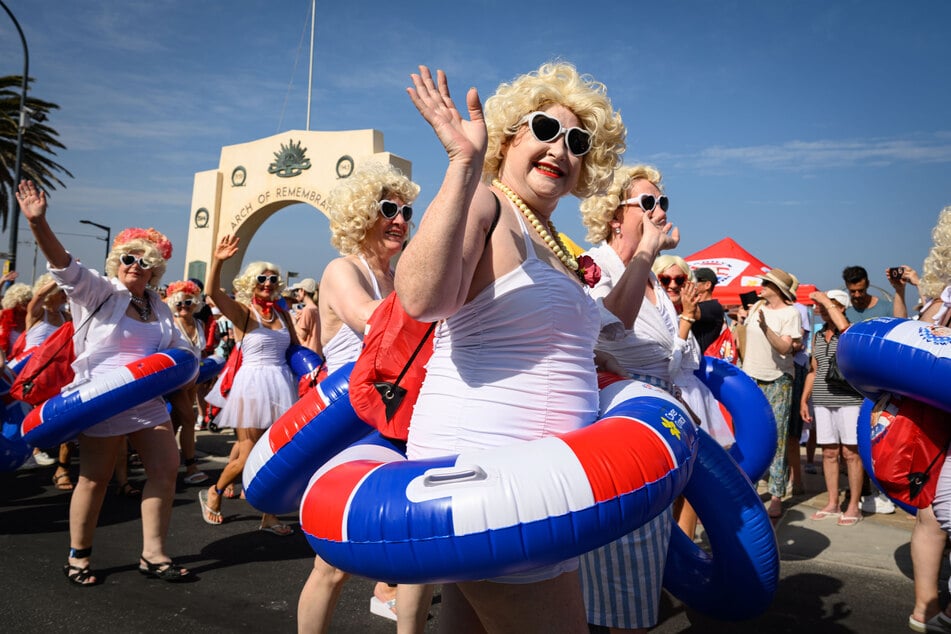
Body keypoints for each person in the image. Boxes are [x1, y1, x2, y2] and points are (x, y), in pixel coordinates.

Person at [397, 62, 625, 632]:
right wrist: (461, 164)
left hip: (538, 479)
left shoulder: (554, 240)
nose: (560, 149)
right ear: (510, 138)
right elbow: (421, 298)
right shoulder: (486, 204)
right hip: (489, 478)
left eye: (577, 142)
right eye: (544, 130)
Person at [16, 179, 195, 586]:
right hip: (101, 396)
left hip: (146, 399)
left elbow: (180, 350)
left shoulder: (159, 306)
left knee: (166, 469)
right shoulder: (98, 291)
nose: (134, 265)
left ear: (155, 269)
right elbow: (63, 264)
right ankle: (79, 556)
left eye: (143, 261)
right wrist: (38, 223)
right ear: (119, 260)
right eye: (129, 258)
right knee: (93, 479)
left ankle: (153, 553)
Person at [297, 162, 419, 633]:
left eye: (406, 211)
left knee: (416, 550)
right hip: (352, 428)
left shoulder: (403, 274)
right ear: (361, 214)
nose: (400, 220)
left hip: (403, 423)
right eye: (388, 209)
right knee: (333, 562)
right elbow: (370, 319)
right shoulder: (341, 268)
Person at [577, 164, 683, 633]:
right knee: (623, 547)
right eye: (647, 203)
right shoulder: (596, 265)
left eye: (663, 203)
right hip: (619, 416)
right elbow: (601, 326)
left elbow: (674, 351)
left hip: (657, 407)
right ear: (615, 216)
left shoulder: (656, 278)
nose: (659, 211)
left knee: (646, 542)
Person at [199, 243, 298, 535]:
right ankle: (215, 491)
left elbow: (295, 347)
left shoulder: (283, 314)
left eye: (272, 279)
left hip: (282, 385)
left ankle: (270, 516)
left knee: (276, 455)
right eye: (261, 279)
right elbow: (213, 293)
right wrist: (217, 261)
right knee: (247, 454)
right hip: (252, 387)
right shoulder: (244, 312)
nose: (268, 284)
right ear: (251, 284)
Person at [800, 289, 865, 526]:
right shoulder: (818, 336)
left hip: (849, 399)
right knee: (828, 452)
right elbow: (814, 370)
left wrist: (826, 301)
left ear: (841, 307)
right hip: (823, 398)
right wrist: (804, 399)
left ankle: (853, 505)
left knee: (851, 453)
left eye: (831, 305)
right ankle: (832, 502)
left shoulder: (850, 331)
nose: (823, 308)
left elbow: (844, 327)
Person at [742, 267, 802, 519]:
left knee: (777, 438)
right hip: (751, 376)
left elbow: (786, 348)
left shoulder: (791, 313)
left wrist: (767, 328)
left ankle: (776, 494)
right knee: (751, 435)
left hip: (778, 379)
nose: (761, 285)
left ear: (777, 288)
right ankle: (750, 487)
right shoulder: (756, 307)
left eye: (766, 283)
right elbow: (743, 335)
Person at [163, 279, 208, 484]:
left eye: (188, 302)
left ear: (195, 303)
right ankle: (191, 466)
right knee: (189, 419)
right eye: (179, 303)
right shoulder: (171, 324)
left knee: (176, 421)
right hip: (176, 381)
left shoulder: (200, 324)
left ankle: (161, 458)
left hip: (194, 379)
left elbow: (201, 352)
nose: (183, 307)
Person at [691, 266, 725, 352]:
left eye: (694, 281)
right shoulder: (699, 305)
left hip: (704, 360)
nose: (690, 284)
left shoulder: (714, 306)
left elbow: (690, 311)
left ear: (707, 285)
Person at [289, 278, 322, 356]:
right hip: (317, 351)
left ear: (303, 291)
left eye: (298, 290)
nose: (297, 293)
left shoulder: (307, 310)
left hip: (308, 352)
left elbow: (303, 334)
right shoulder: (315, 308)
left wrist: (293, 323)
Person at [0, 282, 32, 363]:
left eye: (29, 301)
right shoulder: (3, 316)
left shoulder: (32, 318)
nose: (28, 304)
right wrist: (2, 282)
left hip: (21, 363)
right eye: (24, 301)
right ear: (15, 302)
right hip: (3, 361)